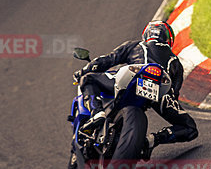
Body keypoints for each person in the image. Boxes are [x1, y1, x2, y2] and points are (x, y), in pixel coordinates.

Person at [74, 20, 198, 149]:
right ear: (169, 39)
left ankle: (97, 112)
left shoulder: (135, 45)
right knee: (190, 128)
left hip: (132, 77)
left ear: (146, 34)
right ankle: (153, 139)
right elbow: (174, 92)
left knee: (87, 79)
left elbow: (106, 60)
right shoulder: (176, 62)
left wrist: (82, 71)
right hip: (159, 89)